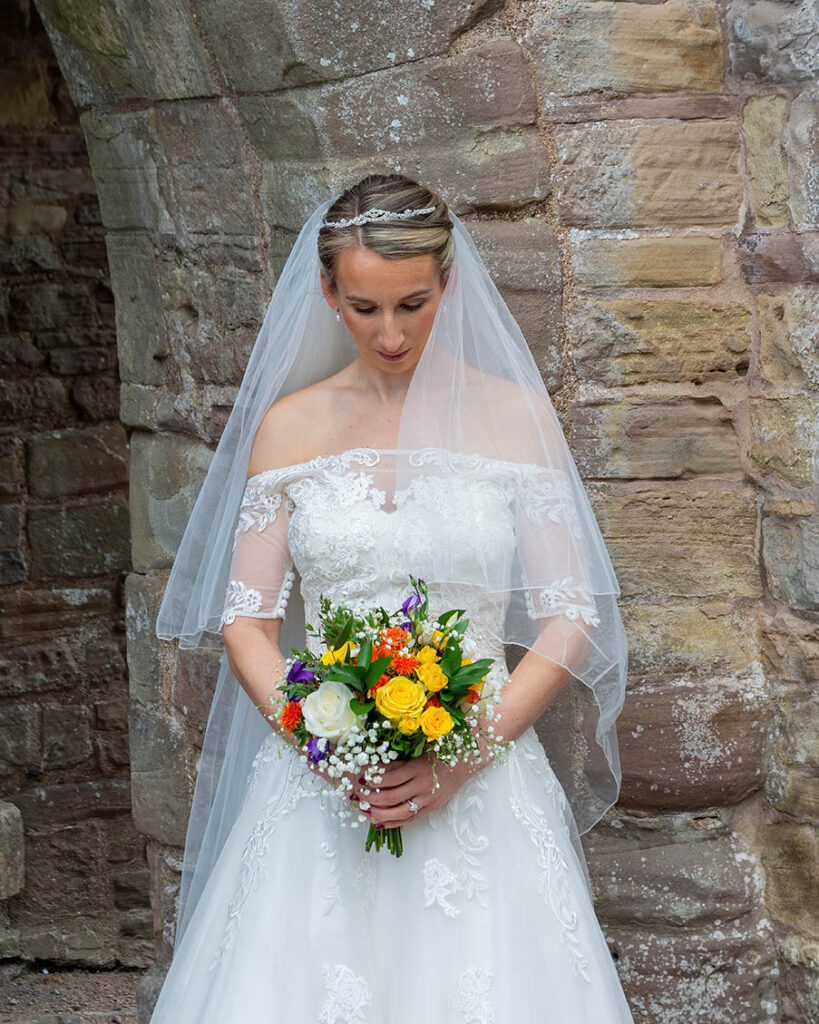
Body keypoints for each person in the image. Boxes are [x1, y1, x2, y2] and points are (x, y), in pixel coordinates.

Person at [150, 173, 634, 1022]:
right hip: (323, 781)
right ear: (329, 292)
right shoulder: (290, 427)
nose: (392, 333)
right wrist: (323, 741)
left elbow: (570, 616)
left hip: (481, 772)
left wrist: (464, 752)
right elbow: (247, 623)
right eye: (365, 308)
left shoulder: (515, 417)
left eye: (412, 304)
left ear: (447, 283)